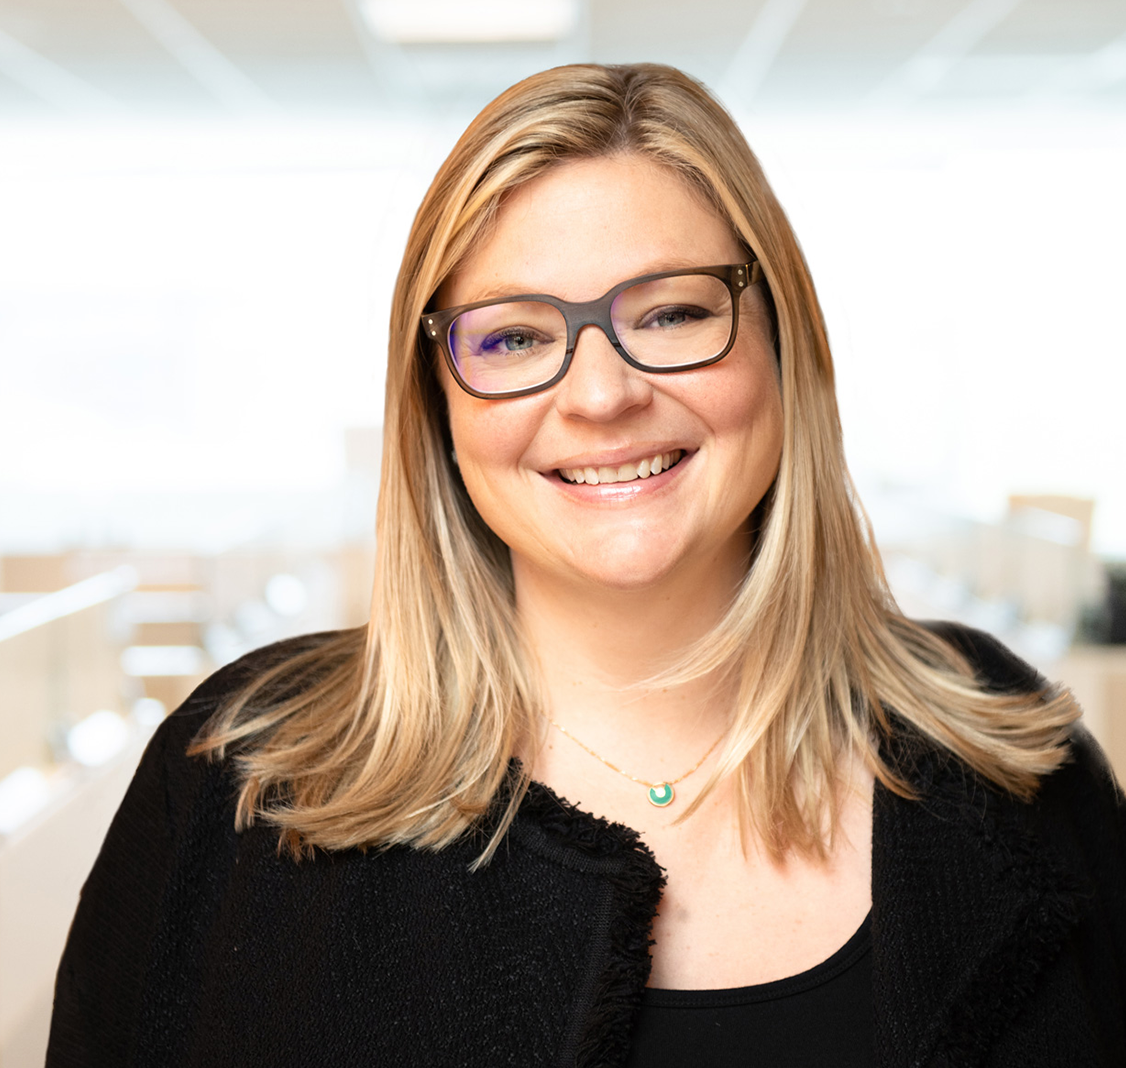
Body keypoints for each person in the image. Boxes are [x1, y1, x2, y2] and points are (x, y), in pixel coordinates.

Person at [47, 63, 1124, 1067]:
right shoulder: (241, 777)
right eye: (512, 338)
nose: (601, 395)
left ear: (782, 346)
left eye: (671, 313)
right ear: (437, 403)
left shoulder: (1005, 753)